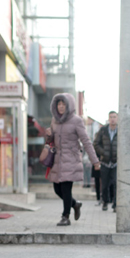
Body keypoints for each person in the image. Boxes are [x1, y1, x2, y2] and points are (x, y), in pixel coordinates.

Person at [46, 93, 100, 226]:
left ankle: (65, 216)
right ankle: (75, 204)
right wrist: (48, 136)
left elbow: (86, 141)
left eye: (63, 104)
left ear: (69, 105)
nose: (61, 107)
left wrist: (95, 161)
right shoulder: (54, 120)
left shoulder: (77, 120)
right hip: (57, 161)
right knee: (57, 190)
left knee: (65, 189)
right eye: (59, 104)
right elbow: (51, 141)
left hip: (71, 159)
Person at [93, 111, 119, 212]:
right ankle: (105, 202)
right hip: (105, 162)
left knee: (117, 184)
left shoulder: (120, 130)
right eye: (111, 117)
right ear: (108, 119)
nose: (112, 119)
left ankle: (116, 204)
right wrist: (103, 152)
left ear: (117, 118)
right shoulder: (103, 130)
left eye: (114, 117)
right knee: (104, 185)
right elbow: (96, 144)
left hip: (116, 162)